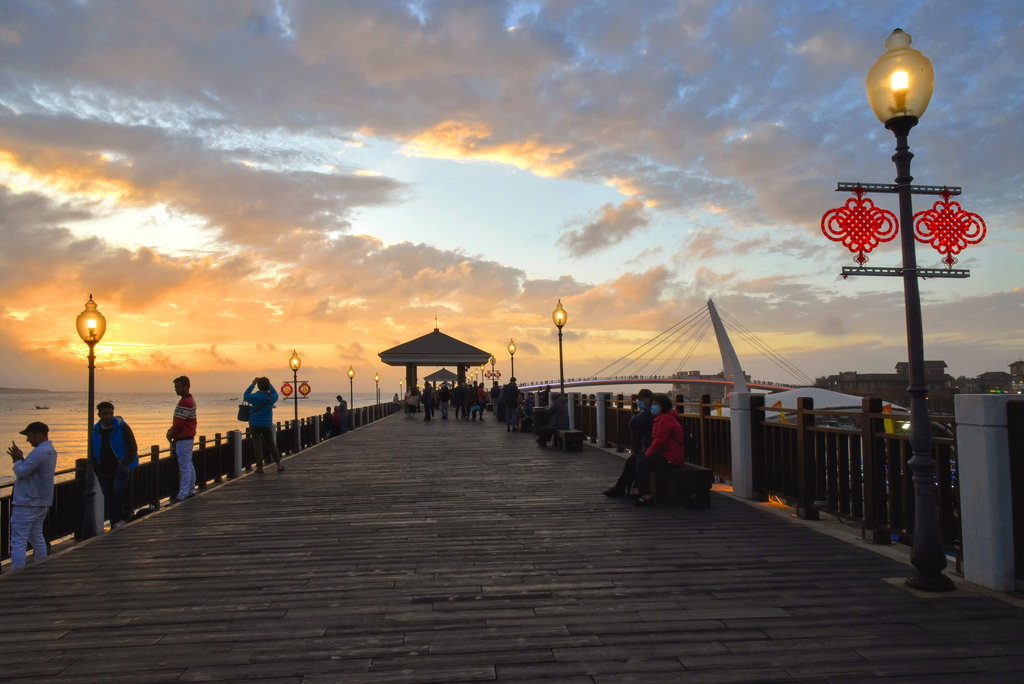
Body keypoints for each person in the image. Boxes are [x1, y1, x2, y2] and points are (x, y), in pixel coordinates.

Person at [7, 421, 58, 569]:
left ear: (39, 434)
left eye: (30, 436)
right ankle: (41, 565)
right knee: (36, 537)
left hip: (27, 503)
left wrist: (17, 460)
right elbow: (33, 471)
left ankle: (16, 572)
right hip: (40, 502)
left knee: (18, 540)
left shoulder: (40, 452)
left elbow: (22, 473)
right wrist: (22, 460)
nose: (28, 440)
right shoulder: (50, 450)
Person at [91, 401, 139, 528]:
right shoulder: (95, 431)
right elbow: (92, 450)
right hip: (103, 469)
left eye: (110, 413)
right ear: (99, 414)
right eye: (105, 413)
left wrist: (124, 465)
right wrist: (97, 469)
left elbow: (132, 448)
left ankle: (121, 518)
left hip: (120, 467)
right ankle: (115, 522)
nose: (108, 416)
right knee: (109, 496)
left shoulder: (122, 427)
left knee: (118, 492)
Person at [634, 393, 686, 507]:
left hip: (672, 458)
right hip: (666, 455)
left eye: (656, 405)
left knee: (643, 462)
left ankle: (647, 495)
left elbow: (660, 441)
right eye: (652, 404)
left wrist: (648, 453)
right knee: (639, 458)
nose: (653, 407)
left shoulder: (665, 420)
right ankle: (638, 489)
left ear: (663, 406)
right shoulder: (661, 418)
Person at [604, 389, 654, 498]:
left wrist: (635, 417)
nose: (639, 403)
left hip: (653, 450)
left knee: (636, 460)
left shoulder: (650, 411)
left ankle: (623, 488)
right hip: (648, 448)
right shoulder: (651, 411)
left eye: (641, 400)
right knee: (634, 459)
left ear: (647, 399)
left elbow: (633, 423)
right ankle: (621, 487)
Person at [166, 375, 197, 504]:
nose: (176, 390)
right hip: (188, 438)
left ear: (185, 386)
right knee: (189, 465)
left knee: (184, 467)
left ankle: (182, 494)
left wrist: (170, 434)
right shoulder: (190, 400)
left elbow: (179, 423)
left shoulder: (185, 402)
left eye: (178, 387)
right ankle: (190, 490)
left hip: (183, 439)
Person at [245, 377, 284, 473]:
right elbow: (275, 393)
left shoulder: (254, 397)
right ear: (268, 386)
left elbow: (246, 395)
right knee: (271, 444)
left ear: (258, 386)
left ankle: (260, 467)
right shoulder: (271, 398)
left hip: (254, 423)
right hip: (266, 424)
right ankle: (278, 464)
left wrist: (253, 383)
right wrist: (268, 383)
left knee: (257, 446)